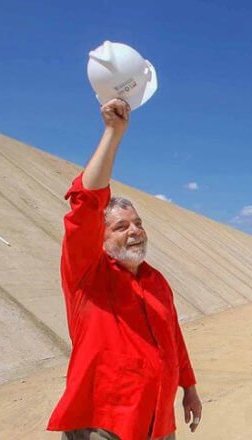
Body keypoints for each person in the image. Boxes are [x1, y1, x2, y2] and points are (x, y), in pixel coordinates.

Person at [46, 99, 203, 440]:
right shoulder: (88, 276)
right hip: (104, 427)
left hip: (159, 424)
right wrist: (113, 133)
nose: (135, 231)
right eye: (121, 226)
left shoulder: (156, 280)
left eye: (138, 223)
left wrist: (189, 387)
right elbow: (87, 204)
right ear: (100, 237)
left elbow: (173, 337)